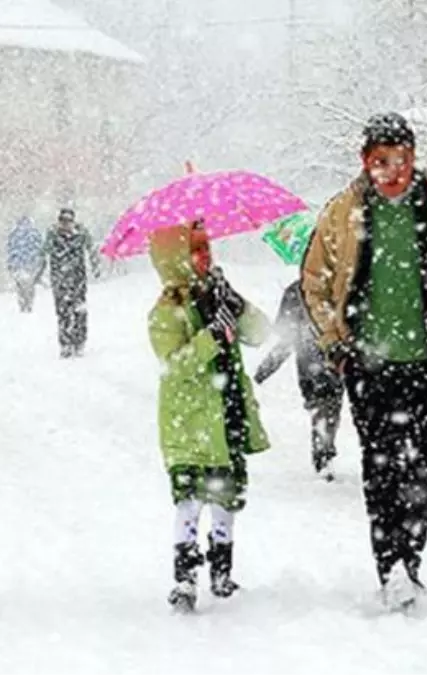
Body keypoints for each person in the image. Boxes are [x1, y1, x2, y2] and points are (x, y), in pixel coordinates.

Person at [301, 112, 427, 610]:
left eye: (401, 159)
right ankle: (390, 565)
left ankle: (412, 558)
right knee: (381, 468)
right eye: (381, 161)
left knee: (422, 469)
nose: (392, 170)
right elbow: (314, 281)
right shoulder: (343, 211)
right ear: (365, 162)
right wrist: (335, 339)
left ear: (414, 158)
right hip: (368, 365)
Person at [147, 220, 272, 612]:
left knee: (225, 497)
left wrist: (236, 305)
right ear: (175, 260)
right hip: (191, 422)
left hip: (227, 412)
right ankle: (184, 576)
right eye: (195, 249)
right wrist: (210, 338)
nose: (205, 256)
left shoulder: (217, 297)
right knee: (189, 500)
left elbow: (260, 332)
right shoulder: (166, 312)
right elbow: (175, 364)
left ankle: (222, 570)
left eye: (207, 248)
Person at [253, 279, 344, 481]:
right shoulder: (336, 287)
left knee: (323, 407)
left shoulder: (295, 291)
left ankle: (323, 452)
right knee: (328, 407)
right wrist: (264, 370)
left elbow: (286, 339)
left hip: (312, 363)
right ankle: (323, 453)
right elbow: (286, 339)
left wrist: (265, 370)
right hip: (328, 361)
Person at [44, 208, 94, 357]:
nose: (65, 225)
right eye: (63, 221)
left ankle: (79, 341)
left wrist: (95, 264)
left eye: (68, 221)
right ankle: (65, 343)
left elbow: (91, 249)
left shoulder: (81, 234)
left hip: (78, 278)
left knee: (79, 310)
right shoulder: (52, 235)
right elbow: (43, 252)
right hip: (59, 278)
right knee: (62, 311)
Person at [6, 216, 46, 313]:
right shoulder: (35, 233)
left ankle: (22, 302)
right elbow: (39, 248)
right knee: (30, 285)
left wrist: (11, 264)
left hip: (18, 265)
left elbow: (10, 249)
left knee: (20, 285)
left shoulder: (14, 234)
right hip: (31, 265)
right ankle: (29, 303)